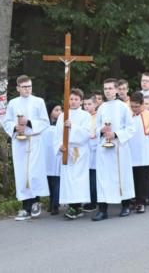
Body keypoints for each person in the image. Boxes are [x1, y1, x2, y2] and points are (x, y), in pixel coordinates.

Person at [3, 75, 50, 221]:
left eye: (29, 86)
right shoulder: (13, 103)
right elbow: (6, 121)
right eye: (24, 87)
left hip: (34, 141)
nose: (27, 89)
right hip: (19, 142)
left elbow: (45, 122)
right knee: (22, 174)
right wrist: (15, 127)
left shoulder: (39, 101)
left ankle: (36, 202)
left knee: (34, 173)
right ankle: (25, 207)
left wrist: (28, 122)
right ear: (18, 88)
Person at [92, 78, 136, 221]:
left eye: (110, 88)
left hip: (119, 147)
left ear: (117, 90)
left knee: (122, 176)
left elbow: (131, 128)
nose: (108, 91)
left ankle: (125, 205)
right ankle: (103, 209)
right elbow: (96, 128)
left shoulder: (123, 107)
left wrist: (116, 134)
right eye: (105, 89)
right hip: (104, 147)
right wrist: (102, 130)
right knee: (103, 178)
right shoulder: (102, 108)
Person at [54, 88, 92, 220]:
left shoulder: (85, 116)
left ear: (81, 101)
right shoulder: (62, 115)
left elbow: (87, 133)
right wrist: (60, 145)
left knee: (78, 179)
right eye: (71, 99)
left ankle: (77, 206)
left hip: (79, 151)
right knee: (68, 179)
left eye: (76, 99)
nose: (73, 102)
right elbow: (57, 134)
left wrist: (73, 127)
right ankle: (71, 205)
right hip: (66, 151)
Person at [128, 92, 149, 213]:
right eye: (132, 106)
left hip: (145, 152)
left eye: (137, 106)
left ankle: (141, 202)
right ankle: (133, 200)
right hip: (131, 152)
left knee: (143, 179)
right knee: (133, 178)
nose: (134, 109)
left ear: (143, 104)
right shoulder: (128, 115)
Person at [44, 101, 62, 215]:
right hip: (47, 156)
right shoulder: (44, 125)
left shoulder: (61, 125)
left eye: (60, 110)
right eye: (56, 110)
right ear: (50, 112)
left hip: (58, 155)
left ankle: (56, 204)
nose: (59, 112)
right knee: (49, 180)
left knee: (57, 180)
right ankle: (51, 201)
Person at [82, 96, 98, 212]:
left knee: (93, 176)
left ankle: (94, 201)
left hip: (94, 151)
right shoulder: (82, 117)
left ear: (95, 104)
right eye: (85, 104)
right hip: (84, 150)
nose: (86, 107)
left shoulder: (98, 117)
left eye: (89, 104)